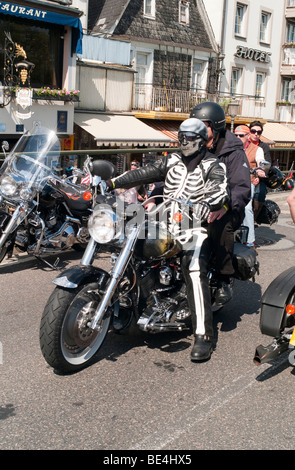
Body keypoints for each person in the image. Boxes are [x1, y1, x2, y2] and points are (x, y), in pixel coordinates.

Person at [106, 118, 229, 362]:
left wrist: (208, 203)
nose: (183, 141)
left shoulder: (213, 164)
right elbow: (144, 172)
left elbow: (220, 188)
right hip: (163, 219)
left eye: (189, 138)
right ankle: (127, 305)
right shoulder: (171, 160)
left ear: (202, 141)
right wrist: (112, 183)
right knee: (127, 240)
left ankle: (204, 335)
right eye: (181, 137)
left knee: (193, 268)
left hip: (193, 224)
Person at [190, 102, 251, 306]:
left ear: (216, 127)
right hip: (194, 205)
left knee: (218, 222)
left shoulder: (233, 152)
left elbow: (241, 188)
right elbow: (172, 172)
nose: (197, 129)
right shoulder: (191, 147)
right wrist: (154, 195)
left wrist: (223, 206)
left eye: (203, 125)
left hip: (227, 206)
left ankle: (224, 278)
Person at [234, 124, 265, 247]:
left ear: (248, 136)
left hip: (247, 183)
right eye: (235, 135)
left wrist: (260, 169)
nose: (237, 137)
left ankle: (250, 241)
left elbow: (260, 161)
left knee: (246, 208)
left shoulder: (257, 149)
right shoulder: (230, 148)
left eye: (241, 135)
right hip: (231, 182)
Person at [249, 121, 271, 221]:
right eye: (253, 131)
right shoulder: (243, 143)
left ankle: (254, 217)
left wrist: (259, 175)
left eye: (259, 132)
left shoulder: (263, 147)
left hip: (257, 178)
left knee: (260, 192)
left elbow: (265, 163)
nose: (256, 134)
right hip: (241, 176)